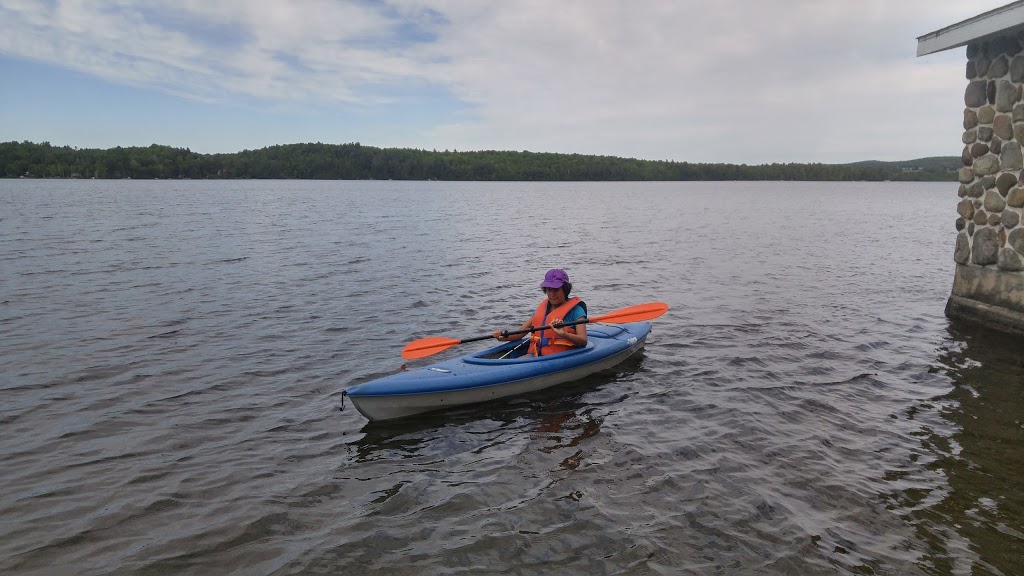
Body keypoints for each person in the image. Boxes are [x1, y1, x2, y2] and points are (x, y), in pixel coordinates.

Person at [492, 269, 588, 356]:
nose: (552, 294)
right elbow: (520, 333)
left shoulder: (576, 310)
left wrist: (564, 334)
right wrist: (501, 336)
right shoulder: (543, 308)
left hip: (561, 357)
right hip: (536, 355)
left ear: (565, 290)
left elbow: (583, 341)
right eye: (549, 289)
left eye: (556, 290)